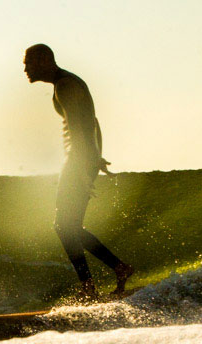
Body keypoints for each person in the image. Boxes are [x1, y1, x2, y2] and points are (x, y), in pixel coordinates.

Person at [23, 43, 134, 300]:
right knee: (69, 226)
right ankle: (118, 268)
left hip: (76, 162)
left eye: (28, 62)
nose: (25, 68)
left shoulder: (65, 86)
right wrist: (97, 157)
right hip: (82, 160)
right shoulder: (67, 83)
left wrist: (85, 167)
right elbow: (92, 122)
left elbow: (78, 128)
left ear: (43, 60)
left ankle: (90, 287)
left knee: (64, 225)